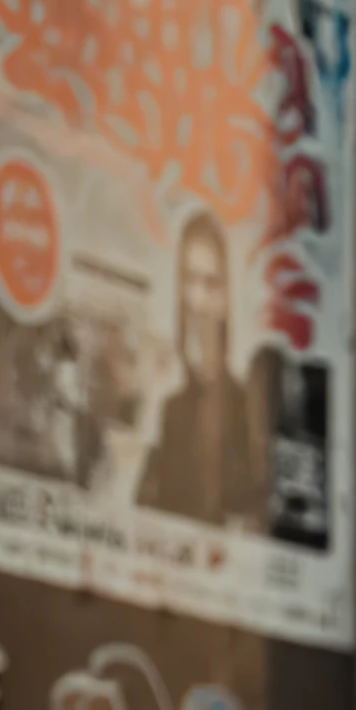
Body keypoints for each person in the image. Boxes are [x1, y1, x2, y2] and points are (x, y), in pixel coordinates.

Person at [136, 212, 267, 526]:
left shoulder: (245, 405)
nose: (197, 300)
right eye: (189, 280)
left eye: (210, 284)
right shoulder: (170, 408)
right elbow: (139, 514)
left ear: (227, 296)